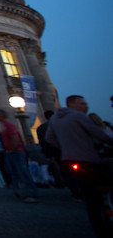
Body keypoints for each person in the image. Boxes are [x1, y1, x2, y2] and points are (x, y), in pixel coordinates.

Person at [45, 95, 113, 237]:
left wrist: (65, 147)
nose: (86, 106)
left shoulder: (55, 119)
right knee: (101, 190)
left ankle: (98, 228)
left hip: (69, 158)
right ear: (72, 104)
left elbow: (48, 138)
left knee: (90, 198)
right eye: (82, 103)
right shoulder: (79, 116)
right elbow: (98, 134)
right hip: (89, 159)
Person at [0, 109, 38, 202]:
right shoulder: (4, 126)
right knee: (14, 173)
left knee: (23, 172)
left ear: (2, 115)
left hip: (16, 152)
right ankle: (19, 192)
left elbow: (14, 137)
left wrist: (12, 149)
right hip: (10, 152)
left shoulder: (9, 125)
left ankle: (31, 194)